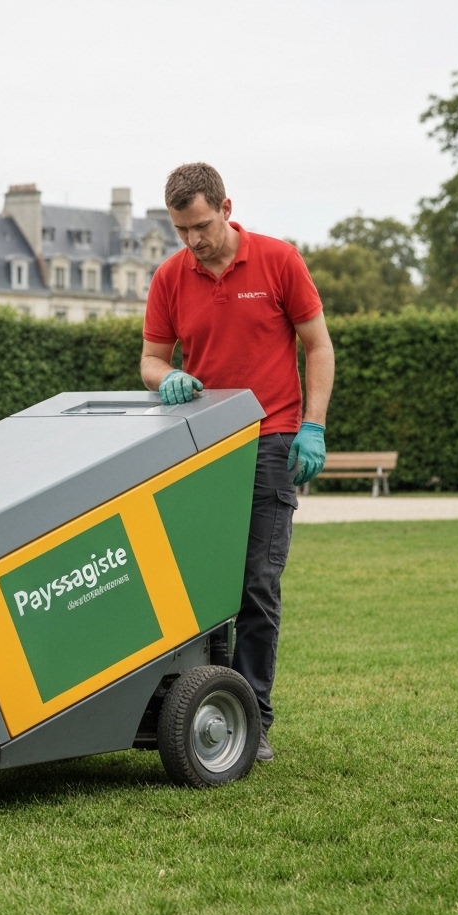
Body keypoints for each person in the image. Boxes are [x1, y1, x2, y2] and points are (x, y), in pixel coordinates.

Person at [141, 163, 334, 762]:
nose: (193, 240)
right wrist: (168, 376)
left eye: (200, 225)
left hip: (272, 439)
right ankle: (202, 707)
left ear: (226, 206)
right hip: (201, 447)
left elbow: (317, 345)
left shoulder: (279, 261)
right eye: (180, 230)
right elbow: (150, 360)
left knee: (255, 584)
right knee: (198, 589)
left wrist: (313, 426)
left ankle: (254, 717)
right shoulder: (171, 277)